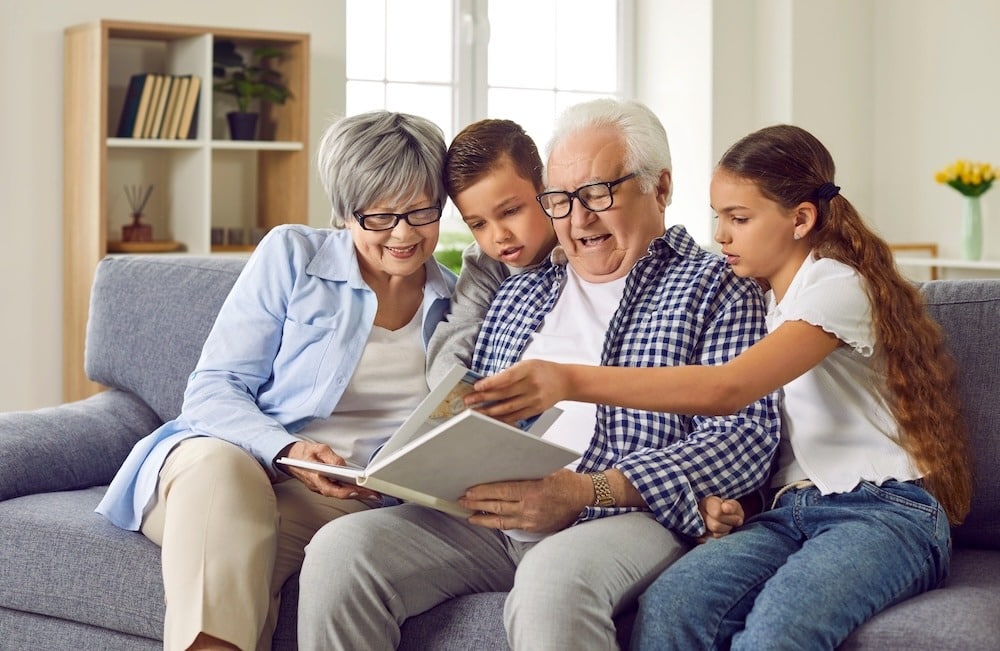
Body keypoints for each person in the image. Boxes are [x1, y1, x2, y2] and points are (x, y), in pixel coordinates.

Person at [296, 98, 781, 651]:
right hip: (490, 516)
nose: (579, 219)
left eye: (600, 193)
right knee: (341, 552)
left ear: (661, 188)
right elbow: (468, 406)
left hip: (621, 515)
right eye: (562, 200)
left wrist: (583, 490)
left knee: (551, 583)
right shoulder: (521, 287)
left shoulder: (719, 287)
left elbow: (744, 438)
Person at [466, 123, 974, 650]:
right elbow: (773, 441)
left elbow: (729, 390)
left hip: (883, 512)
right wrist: (736, 506)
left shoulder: (837, 287)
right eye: (718, 218)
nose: (722, 235)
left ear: (801, 219)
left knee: (780, 627)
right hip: (789, 512)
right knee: (674, 603)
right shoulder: (764, 300)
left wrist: (568, 380)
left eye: (739, 218)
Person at [96, 110, 456, 651]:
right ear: (344, 213)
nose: (403, 233)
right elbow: (213, 388)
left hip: (346, 500)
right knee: (226, 477)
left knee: (242, 565)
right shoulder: (293, 255)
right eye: (379, 216)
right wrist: (288, 450)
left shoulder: (457, 300)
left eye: (420, 211)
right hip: (225, 462)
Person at [426, 118, 557, 386]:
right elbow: (454, 338)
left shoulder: (582, 246)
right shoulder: (483, 264)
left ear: (546, 191)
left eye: (510, 211)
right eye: (478, 224)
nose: (499, 236)